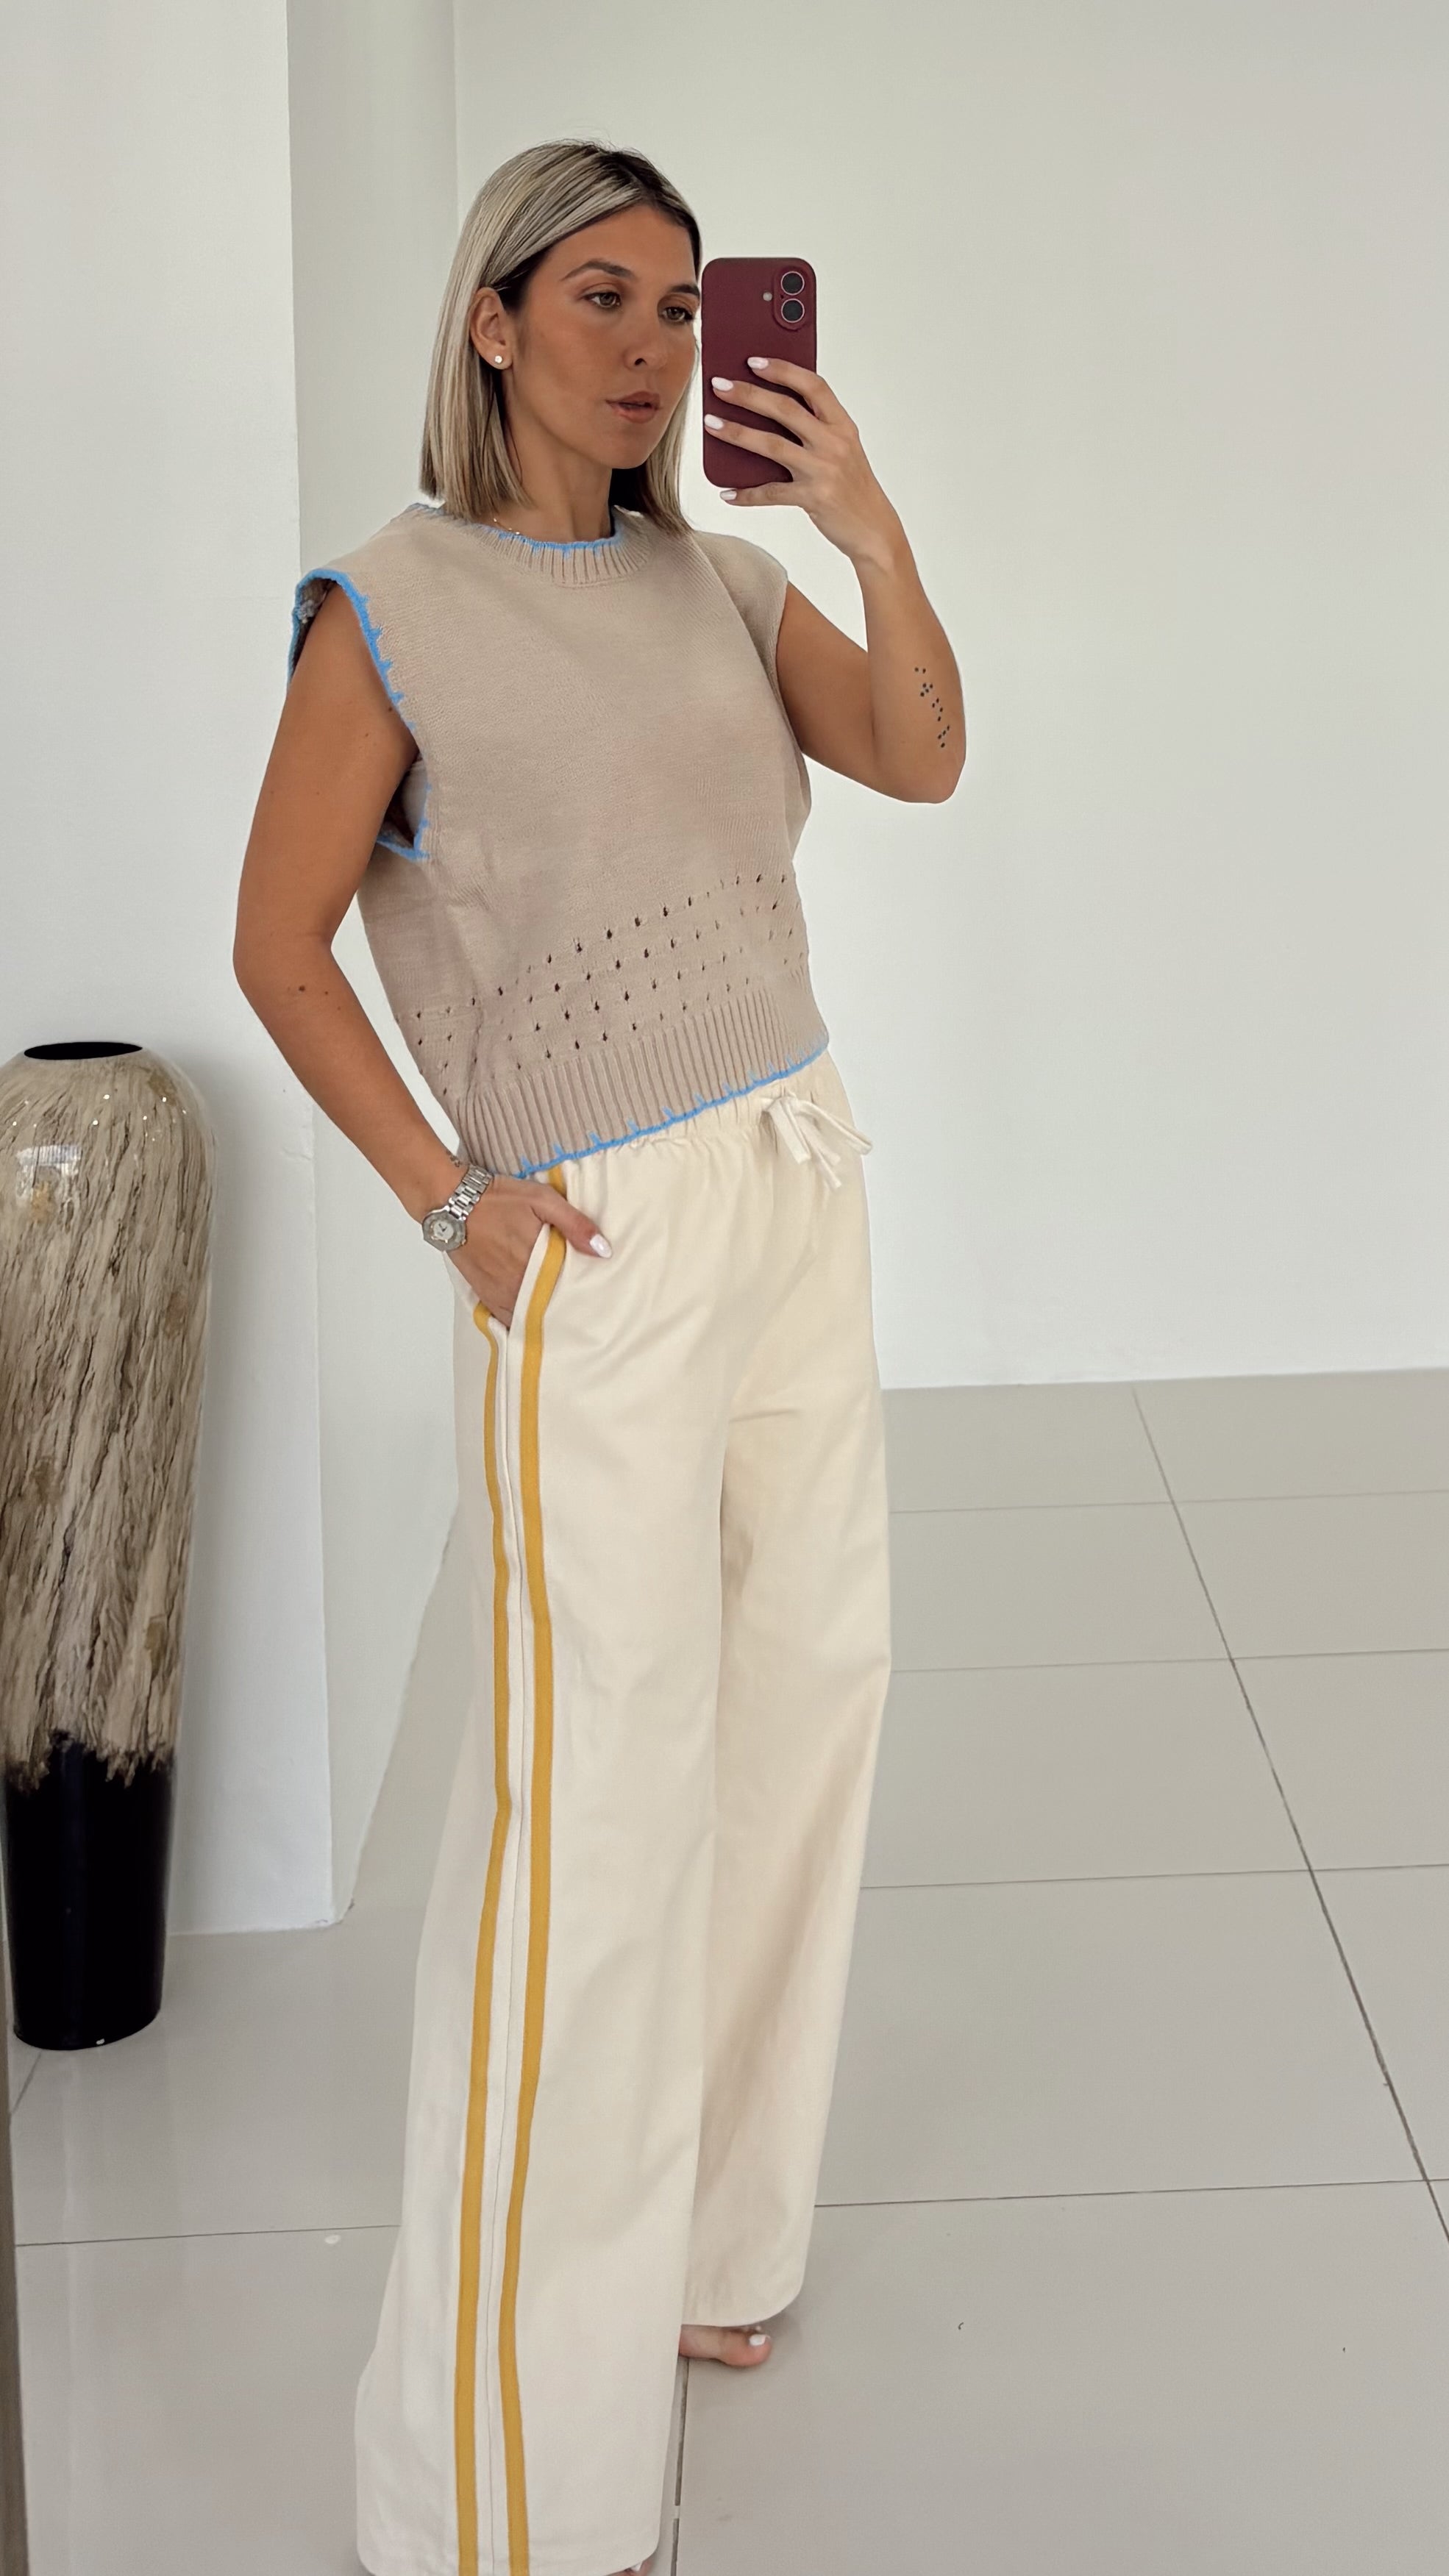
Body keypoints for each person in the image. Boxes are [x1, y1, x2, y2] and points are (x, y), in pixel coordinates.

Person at [235, 135, 963, 2576]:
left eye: (681, 307)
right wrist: (450, 1204)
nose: (651, 349)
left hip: (792, 1174)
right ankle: (495, 2487)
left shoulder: (721, 581)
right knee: (591, 1825)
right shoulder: (393, 608)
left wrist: (862, 524)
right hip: (601, 1240)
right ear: (491, 319)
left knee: (802, 1713)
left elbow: (921, 753)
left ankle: (716, 2249)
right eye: (601, 299)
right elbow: (277, 943)